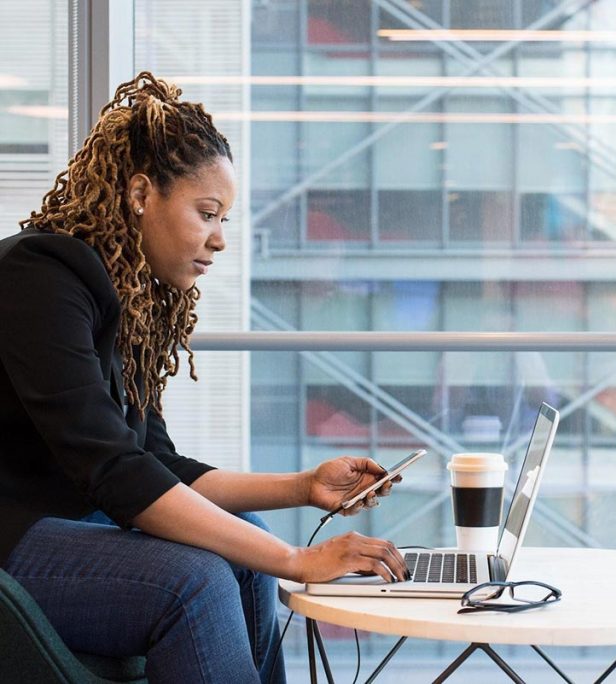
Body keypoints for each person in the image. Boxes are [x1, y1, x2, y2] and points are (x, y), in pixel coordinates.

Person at [0, 72, 408, 683]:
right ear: (141, 194)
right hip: (13, 540)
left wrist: (304, 485)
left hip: (64, 529)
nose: (219, 240)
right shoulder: (41, 275)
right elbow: (114, 472)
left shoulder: (127, 300)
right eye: (207, 213)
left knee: (244, 543)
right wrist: (297, 559)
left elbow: (156, 466)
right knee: (195, 581)